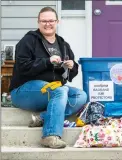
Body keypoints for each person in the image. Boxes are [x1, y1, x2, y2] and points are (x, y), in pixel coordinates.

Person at [9, 7, 87, 149]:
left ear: (57, 22)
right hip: (24, 91)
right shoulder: (29, 40)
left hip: (53, 90)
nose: (47, 24)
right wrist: (47, 61)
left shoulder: (63, 45)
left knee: (81, 96)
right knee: (59, 91)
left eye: (51, 20)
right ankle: (50, 135)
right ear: (38, 22)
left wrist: (72, 66)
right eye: (44, 21)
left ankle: (43, 118)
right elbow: (22, 67)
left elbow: (70, 76)